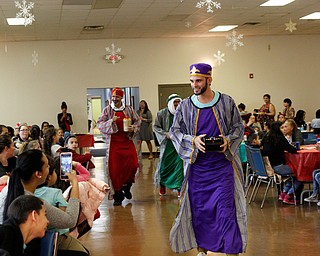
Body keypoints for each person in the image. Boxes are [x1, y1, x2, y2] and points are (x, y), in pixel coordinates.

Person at [169, 63, 247, 256]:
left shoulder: (227, 102)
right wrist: (192, 140)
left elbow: (238, 126)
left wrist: (227, 140)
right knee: (200, 211)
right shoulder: (185, 106)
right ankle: (202, 249)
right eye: (192, 81)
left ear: (209, 80)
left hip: (222, 167)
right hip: (198, 169)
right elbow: (175, 131)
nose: (194, 85)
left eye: (198, 81)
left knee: (226, 209)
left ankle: (231, 250)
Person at [0, 150, 89, 255]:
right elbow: (70, 221)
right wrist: (74, 183)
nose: (50, 169)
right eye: (47, 166)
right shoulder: (33, 202)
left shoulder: (8, 190)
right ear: (38, 174)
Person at [97, 87, 141, 206]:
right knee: (115, 170)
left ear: (122, 97)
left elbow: (138, 121)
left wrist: (134, 128)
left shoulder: (129, 109)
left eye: (117, 97)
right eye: (113, 97)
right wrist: (110, 121)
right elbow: (99, 124)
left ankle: (127, 186)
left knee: (133, 165)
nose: (115, 99)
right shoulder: (107, 110)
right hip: (113, 145)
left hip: (127, 142)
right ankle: (117, 194)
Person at [261, 121, 303, 204]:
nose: (283, 129)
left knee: (293, 175)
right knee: (301, 172)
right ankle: (290, 195)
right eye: (282, 128)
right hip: (280, 167)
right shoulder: (280, 138)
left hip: (272, 166)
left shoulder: (267, 137)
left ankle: (284, 192)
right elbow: (292, 150)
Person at [153, 94, 184, 197]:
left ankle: (179, 187)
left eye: (178, 102)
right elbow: (156, 127)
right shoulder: (162, 113)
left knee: (179, 166)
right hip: (167, 145)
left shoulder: (183, 113)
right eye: (175, 102)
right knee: (164, 167)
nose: (177, 104)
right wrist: (165, 134)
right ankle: (163, 184)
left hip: (179, 145)